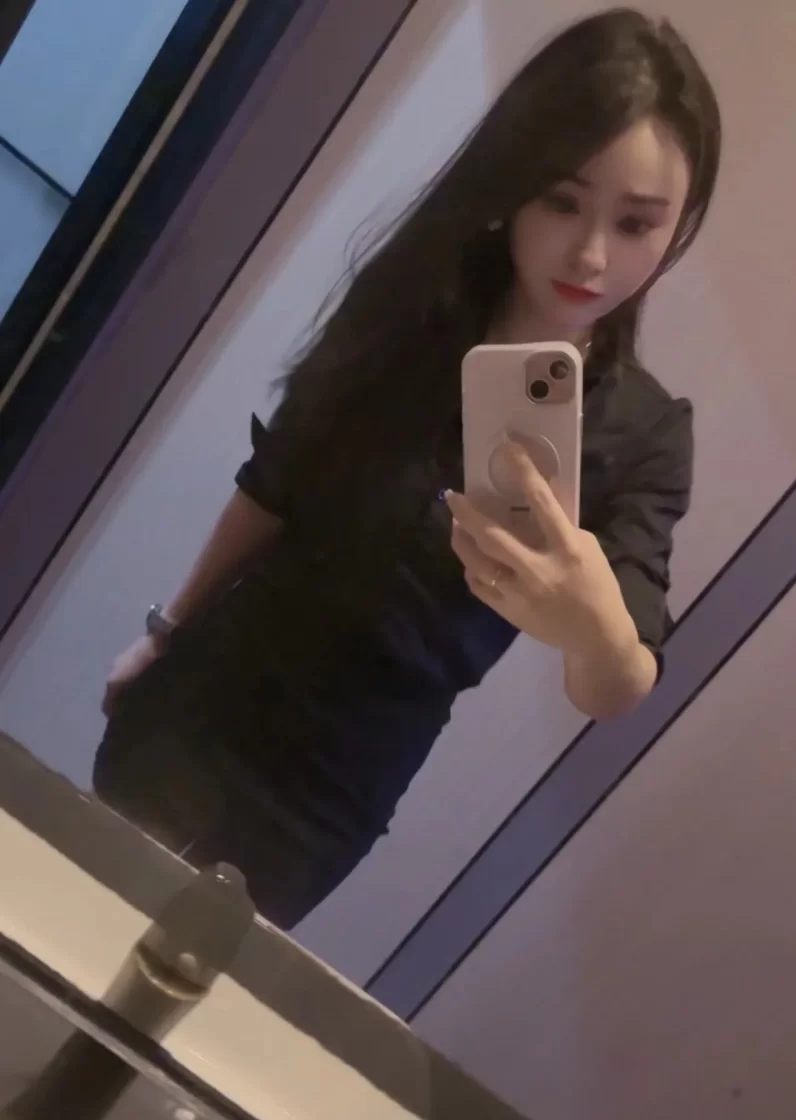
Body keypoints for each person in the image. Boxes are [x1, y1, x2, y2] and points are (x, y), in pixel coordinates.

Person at [95, 8, 722, 929]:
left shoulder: (647, 435)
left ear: (674, 229)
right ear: (514, 180)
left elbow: (615, 687)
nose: (593, 254)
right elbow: (277, 480)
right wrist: (167, 630)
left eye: (636, 223)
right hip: (208, 697)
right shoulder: (416, 298)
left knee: (185, 977)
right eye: (562, 201)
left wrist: (593, 628)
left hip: (333, 793)